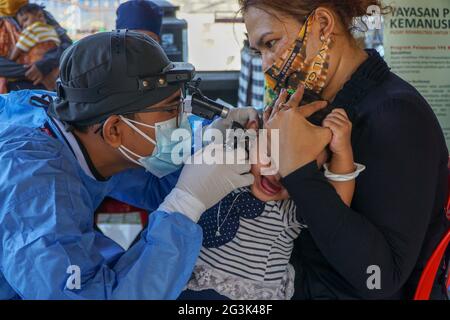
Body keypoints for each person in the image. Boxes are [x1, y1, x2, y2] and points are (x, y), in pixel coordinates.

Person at [0, 30, 257, 300]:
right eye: (171, 111)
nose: (183, 120)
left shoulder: (82, 125)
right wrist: (185, 204)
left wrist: (207, 139)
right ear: (114, 131)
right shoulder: (36, 192)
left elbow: (149, 182)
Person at [240, 0, 449, 299]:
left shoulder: (396, 115)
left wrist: (298, 172)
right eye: (258, 51)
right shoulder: (311, 109)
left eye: (271, 43)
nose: (266, 64)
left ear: (323, 25)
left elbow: (379, 278)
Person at [180, 100, 362, 300]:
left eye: (297, 168)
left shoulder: (290, 207)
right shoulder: (230, 162)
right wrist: (225, 127)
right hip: (184, 280)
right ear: (254, 136)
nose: (276, 173)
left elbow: (335, 212)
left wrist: (343, 152)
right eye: (271, 153)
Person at [0, 0, 72, 92]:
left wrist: (43, 65)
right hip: (15, 87)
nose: (24, 25)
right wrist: (32, 72)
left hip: (49, 83)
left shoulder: (39, 13)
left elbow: (67, 46)